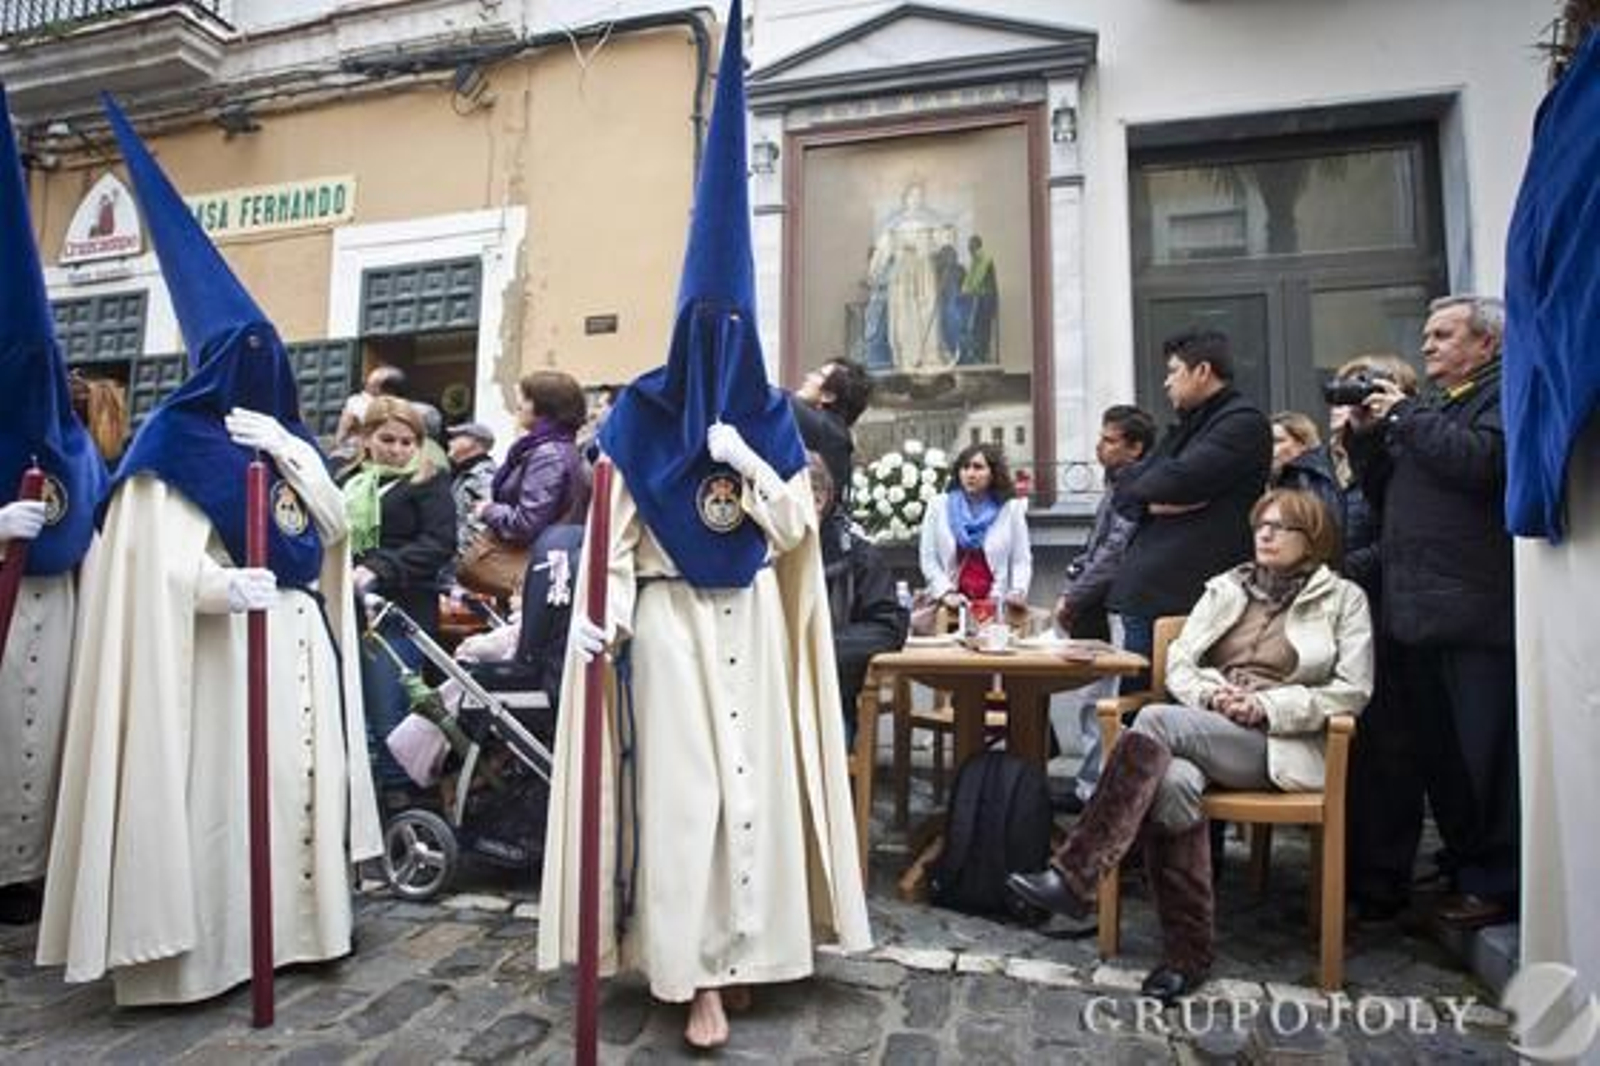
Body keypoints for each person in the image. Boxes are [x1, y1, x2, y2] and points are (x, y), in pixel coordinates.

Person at [536, 5, 870, 1047]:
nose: (722, 343)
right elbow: (619, 533)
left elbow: (791, 530)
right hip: (672, 624)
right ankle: (692, 972)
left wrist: (744, 462)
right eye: (707, 330)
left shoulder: (769, 416)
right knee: (688, 799)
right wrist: (608, 617)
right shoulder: (639, 417)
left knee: (756, 788)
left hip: (753, 621)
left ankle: (758, 951)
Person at [38, 98, 381, 1005]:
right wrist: (222, 587)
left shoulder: (284, 439)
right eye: (249, 351)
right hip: (224, 663)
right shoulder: (171, 445)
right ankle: (217, 951)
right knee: (227, 806)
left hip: (298, 640)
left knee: (302, 787)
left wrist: (300, 456)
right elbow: (144, 569)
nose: (266, 362)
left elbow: (333, 535)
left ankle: (306, 932)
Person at [1008, 489, 1373, 1003]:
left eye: (1280, 527)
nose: (1265, 534)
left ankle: (1075, 876)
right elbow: (1180, 660)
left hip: (1278, 743)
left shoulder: (1343, 600)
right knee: (1173, 782)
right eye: (1260, 525)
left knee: (1154, 719)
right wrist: (1212, 694)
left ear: (1312, 539)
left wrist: (1269, 707)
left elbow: (1351, 690)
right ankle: (1187, 954)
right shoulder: (1228, 588)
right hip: (1206, 724)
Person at [1345, 294, 1518, 929]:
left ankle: (1498, 879)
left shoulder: (1501, 395)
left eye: (1444, 334)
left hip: (1473, 609)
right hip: (1417, 610)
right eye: (1426, 335)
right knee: (1443, 760)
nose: (1428, 346)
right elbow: (1384, 491)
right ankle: (1466, 862)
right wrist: (1368, 436)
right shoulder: (1439, 406)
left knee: (1484, 758)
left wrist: (1407, 415)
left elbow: (1484, 464)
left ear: (1487, 344)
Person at [0, 92, 110, 926]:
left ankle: (30, 870)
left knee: (50, 734)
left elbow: (101, 523)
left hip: (60, 603)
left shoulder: (80, 446)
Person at [1105, 329, 1272, 680]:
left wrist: (1158, 489)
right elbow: (1124, 487)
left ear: (1203, 371)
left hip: (1187, 596)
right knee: (1135, 706)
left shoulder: (1241, 422)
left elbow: (1176, 481)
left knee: (1162, 707)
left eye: (1174, 371)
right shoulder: (1187, 426)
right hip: (1150, 593)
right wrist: (1153, 503)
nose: (1167, 383)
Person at [341, 396, 457, 793]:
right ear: (366, 438)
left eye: (408, 442)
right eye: (387, 439)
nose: (397, 449)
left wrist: (378, 567)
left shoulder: (428, 480)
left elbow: (439, 543)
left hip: (399, 611)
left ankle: (400, 801)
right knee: (355, 710)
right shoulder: (349, 480)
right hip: (349, 609)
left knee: (391, 711)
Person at [1050, 404, 1155, 811]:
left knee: (1104, 702)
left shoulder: (1133, 486)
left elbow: (1114, 552)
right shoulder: (1119, 482)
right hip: (1098, 601)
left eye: (1110, 441)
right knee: (1092, 698)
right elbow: (1097, 547)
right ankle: (1087, 786)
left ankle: (1095, 792)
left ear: (1136, 447)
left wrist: (1075, 595)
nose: (1099, 447)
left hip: (1115, 604)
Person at [809, 452, 908, 744]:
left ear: (820, 500)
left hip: (829, 698)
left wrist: (814, 650)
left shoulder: (857, 555)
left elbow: (888, 627)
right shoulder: (757, 552)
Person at [473, 370, 591, 553]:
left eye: (526, 399)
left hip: (528, 565)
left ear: (546, 407)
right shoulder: (560, 446)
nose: (519, 405)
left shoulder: (548, 454)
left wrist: (488, 510)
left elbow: (527, 524)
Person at [918, 441, 1032, 621]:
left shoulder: (1011, 509)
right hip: (951, 605)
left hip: (996, 604)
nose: (970, 474)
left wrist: (1018, 591)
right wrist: (946, 593)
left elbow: (1021, 559)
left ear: (993, 473)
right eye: (965, 467)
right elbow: (929, 558)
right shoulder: (938, 506)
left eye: (978, 468)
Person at [869, 182, 948, 371]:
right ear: (906, 199)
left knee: (927, 310)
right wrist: (875, 271)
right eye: (913, 196)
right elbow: (881, 252)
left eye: (920, 196)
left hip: (924, 271)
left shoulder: (930, 223)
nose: (916, 200)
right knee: (905, 314)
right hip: (902, 273)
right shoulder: (895, 224)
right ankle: (908, 359)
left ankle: (929, 357)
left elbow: (942, 242)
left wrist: (941, 238)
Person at [790, 357, 872, 506]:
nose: (808, 376)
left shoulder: (825, 428)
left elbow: (778, 400)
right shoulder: (835, 429)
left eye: (819, 375)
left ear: (829, 396)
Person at [1269, 411, 1343, 545]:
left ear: (1303, 443)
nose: (1270, 448)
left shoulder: (1306, 476)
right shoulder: (1279, 476)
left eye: (1278, 441)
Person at [333, 363, 406, 462]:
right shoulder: (407, 409)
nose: (366, 387)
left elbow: (342, 434)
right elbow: (342, 435)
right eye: (367, 383)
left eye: (371, 384)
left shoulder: (357, 403)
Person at [445, 420, 497, 557]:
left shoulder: (483, 477)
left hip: (461, 566)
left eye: (456, 437)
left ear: (472, 443)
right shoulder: (462, 473)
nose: (450, 442)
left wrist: (462, 559)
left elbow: (482, 525)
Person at [960, 234, 998, 365]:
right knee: (977, 327)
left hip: (987, 298)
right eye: (968, 247)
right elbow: (969, 278)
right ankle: (980, 355)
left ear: (976, 246)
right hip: (981, 297)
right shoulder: (976, 259)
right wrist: (964, 289)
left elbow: (977, 278)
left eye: (970, 247)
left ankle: (983, 355)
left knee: (983, 328)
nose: (968, 250)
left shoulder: (984, 258)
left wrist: (967, 290)